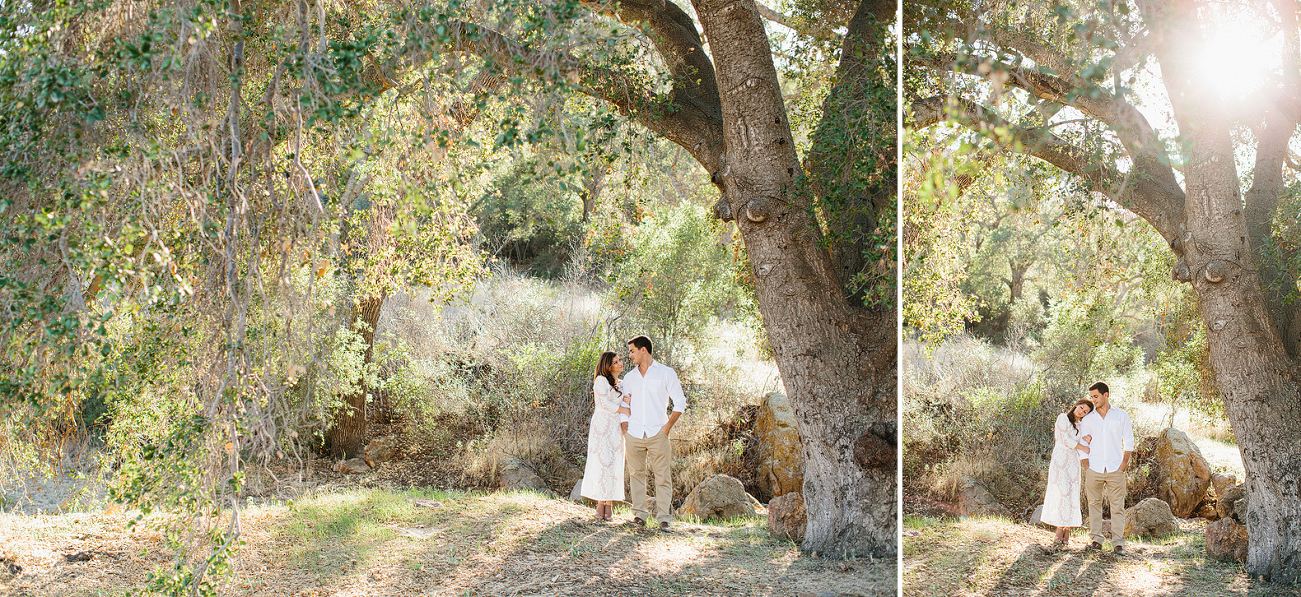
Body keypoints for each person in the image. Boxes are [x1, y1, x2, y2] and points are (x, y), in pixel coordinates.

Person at [620, 335, 685, 532]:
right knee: (636, 474)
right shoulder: (630, 378)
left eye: (632, 351)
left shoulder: (666, 373)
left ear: (643, 350)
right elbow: (624, 404)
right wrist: (625, 429)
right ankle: (639, 515)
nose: (630, 355)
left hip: (658, 433)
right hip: (635, 433)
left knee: (662, 476)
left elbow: (680, 402)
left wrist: (666, 428)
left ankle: (664, 518)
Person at [1078, 381, 1134, 556]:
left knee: (1117, 506)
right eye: (1092, 397)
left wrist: (1123, 465)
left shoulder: (1121, 416)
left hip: (1115, 468)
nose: (1093, 400)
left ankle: (1118, 543)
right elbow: (1081, 443)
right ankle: (1096, 539)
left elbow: (1129, 441)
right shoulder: (1088, 419)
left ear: (1106, 395)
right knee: (1094, 505)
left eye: (1096, 396)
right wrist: (1086, 466)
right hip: (1094, 468)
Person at [579, 352, 632, 521]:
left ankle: (609, 504)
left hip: (616, 427)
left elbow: (628, 402)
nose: (620, 363)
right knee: (602, 463)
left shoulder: (623, 384)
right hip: (602, 427)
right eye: (616, 362)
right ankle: (600, 504)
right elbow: (603, 403)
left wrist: (626, 405)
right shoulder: (601, 380)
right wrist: (623, 408)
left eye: (620, 361)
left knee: (615, 463)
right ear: (608, 366)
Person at [1040, 398, 1094, 549]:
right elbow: (1064, 439)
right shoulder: (1063, 418)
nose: (1081, 412)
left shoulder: (1081, 425)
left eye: (1085, 411)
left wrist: (1088, 440)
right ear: (1076, 405)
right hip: (1060, 460)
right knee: (1061, 493)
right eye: (1081, 408)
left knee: (1071, 494)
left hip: (1073, 463)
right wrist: (1083, 447)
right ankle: (1059, 529)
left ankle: (1067, 531)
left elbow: (1085, 442)